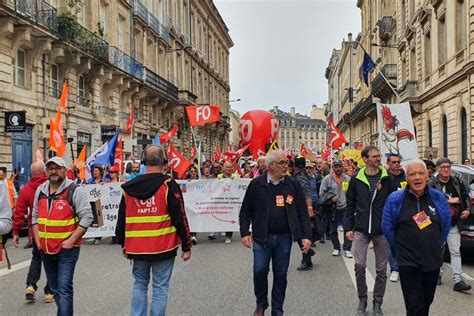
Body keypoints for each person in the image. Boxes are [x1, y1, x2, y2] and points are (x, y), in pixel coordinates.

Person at [115, 145, 192, 316]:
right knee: (160, 287)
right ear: (164, 161)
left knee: (139, 284)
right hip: (163, 246)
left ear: (143, 161)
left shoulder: (128, 187)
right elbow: (180, 216)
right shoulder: (168, 184)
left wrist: (123, 243)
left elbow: (121, 219)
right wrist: (186, 245)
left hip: (137, 247)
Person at [239, 149, 313, 316]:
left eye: (286, 163)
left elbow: (302, 211)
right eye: (282, 163)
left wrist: (307, 236)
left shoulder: (292, 184)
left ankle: (277, 310)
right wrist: (244, 232)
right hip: (261, 238)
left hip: (284, 238)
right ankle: (261, 303)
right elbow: (245, 211)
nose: (285, 166)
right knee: (259, 271)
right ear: (270, 165)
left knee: (280, 274)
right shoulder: (256, 184)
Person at [382, 159, 451, 315]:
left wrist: (437, 244)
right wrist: (398, 250)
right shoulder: (395, 199)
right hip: (408, 260)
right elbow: (388, 228)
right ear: (406, 177)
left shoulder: (438, 197)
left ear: (428, 175)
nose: (417, 177)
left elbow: (445, 224)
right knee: (414, 304)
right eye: (412, 174)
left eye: (421, 173)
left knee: (426, 302)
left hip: (432, 259)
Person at [32, 156, 93, 316]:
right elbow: (35, 217)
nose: (53, 171)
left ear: (65, 171)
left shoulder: (75, 190)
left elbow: (88, 217)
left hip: (67, 250)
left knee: (64, 288)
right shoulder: (41, 190)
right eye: (50, 168)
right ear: (46, 171)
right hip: (45, 249)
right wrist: (38, 240)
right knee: (54, 288)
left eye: (57, 168)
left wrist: (71, 240)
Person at [344, 146, 394, 316]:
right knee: (359, 265)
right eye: (374, 156)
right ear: (365, 159)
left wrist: (392, 226)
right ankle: (362, 299)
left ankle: (377, 302)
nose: (377, 159)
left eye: (379, 156)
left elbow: (394, 204)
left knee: (381, 270)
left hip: (382, 231)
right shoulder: (356, 179)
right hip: (361, 229)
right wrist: (348, 227)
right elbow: (349, 204)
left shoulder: (387, 179)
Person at [429, 158, 472, 291]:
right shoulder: (432, 183)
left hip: (454, 222)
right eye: (443, 167)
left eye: (448, 166)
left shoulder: (457, 181)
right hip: (438, 223)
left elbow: (465, 197)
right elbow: (428, 201)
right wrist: (448, 201)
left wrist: (467, 210)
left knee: (455, 251)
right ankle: (437, 274)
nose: (446, 169)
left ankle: (458, 280)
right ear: (437, 169)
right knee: (438, 250)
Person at [12, 161, 53, 302]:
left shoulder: (27, 189)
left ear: (31, 174)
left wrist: (16, 232)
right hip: (56, 230)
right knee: (53, 260)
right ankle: (49, 292)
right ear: (45, 172)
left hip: (37, 231)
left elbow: (19, 212)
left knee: (37, 257)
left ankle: (31, 285)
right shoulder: (52, 186)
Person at [319, 160, 352, 258]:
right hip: (332, 208)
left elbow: (352, 193)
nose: (338, 168)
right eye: (336, 167)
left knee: (348, 228)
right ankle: (336, 248)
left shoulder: (347, 179)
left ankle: (347, 249)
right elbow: (321, 194)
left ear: (342, 168)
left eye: (339, 166)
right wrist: (330, 197)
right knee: (333, 229)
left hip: (345, 207)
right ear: (333, 168)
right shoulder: (327, 179)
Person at [293, 156, 316, 271]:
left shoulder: (300, 178)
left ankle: (306, 258)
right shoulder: (302, 176)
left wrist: (309, 207)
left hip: (300, 209)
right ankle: (308, 257)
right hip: (300, 208)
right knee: (299, 234)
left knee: (299, 235)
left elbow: (307, 192)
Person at [386, 153, 406, 282]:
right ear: (388, 163)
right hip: (390, 214)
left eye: (398, 162)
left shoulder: (406, 176)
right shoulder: (385, 178)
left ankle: (405, 266)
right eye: (393, 162)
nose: (396, 164)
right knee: (391, 243)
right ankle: (394, 269)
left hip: (406, 213)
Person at [217, 161, 239, 243]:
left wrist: (235, 180)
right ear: (223, 168)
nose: (229, 169)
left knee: (230, 217)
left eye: (230, 167)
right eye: (227, 167)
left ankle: (228, 235)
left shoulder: (236, 176)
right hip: (221, 201)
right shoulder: (219, 176)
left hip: (231, 201)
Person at [88, 165, 105, 245]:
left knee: (101, 219)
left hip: (102, 203)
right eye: (94, 171)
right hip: (92, 203)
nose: (94, 172)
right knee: (94, 219)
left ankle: (99, 237)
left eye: (96, 171)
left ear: (100, 172)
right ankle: (94, 235)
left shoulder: (105, 181)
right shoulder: (90, 181)